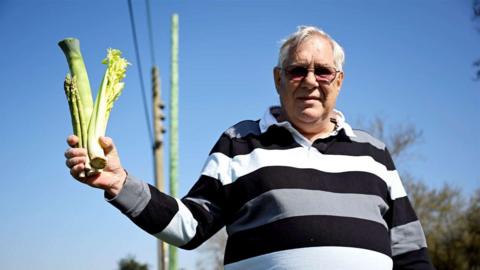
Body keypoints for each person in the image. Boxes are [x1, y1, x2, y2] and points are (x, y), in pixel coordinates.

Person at [65, 26, 434, 270]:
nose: (310, 81)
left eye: (322, 71)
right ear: (278, 79)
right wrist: (119, 182)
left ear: (338, 81)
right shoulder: (239, 143)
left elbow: (411, 253)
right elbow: (189, 227)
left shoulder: (374, 153)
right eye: (296, 70)